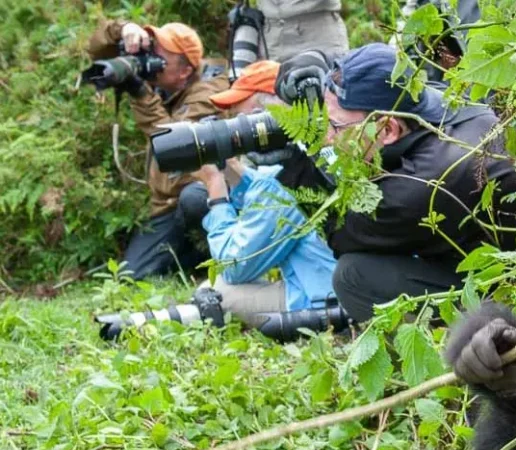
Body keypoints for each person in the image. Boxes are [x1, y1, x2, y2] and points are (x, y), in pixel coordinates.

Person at [274, 43, 516, 322]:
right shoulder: (427, 96)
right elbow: (365, 68)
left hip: (512, 290)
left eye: (335, 126)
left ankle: (441, 358)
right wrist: (310, 63)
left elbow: (342, 230)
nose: (328, 138)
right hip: (504, 257)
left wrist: (295, 165)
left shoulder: (423, 183)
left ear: (388, 129)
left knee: (353, 277)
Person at [193, 61, 337, 329]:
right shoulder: (314, 150)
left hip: (325, 301)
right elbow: (266, 190)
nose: (236, 129)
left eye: (244, 118)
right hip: (346, 284)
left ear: (270, 113)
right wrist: (233, 171)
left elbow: (235, 266)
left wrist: (216, 188)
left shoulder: (285, 179)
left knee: (216, 290)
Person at [87, 19, 229, 279]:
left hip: (201, 193)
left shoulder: (209, 93)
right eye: (150, 49)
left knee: (194, 200)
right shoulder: (165, 83)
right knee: (132, 274)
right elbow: (96, 49)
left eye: (158, 54)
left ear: (185, 70)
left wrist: (141, 93)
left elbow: (174, 144)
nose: (149, 58)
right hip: (166, 204)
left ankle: (215, 250)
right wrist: (125, 29)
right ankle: (191, 259)